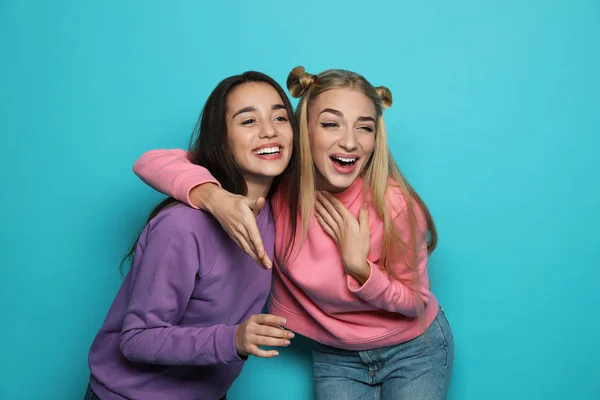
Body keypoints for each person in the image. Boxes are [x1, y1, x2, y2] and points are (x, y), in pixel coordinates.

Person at [131, 66, 454, 399]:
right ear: (304, 131)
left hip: (412, 349)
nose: (349, 141)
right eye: (330, 124)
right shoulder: (278, 183)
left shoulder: (394, 205)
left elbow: (416, 300)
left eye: (365, 128)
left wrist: (361, 269)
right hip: (336, 352)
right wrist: (212, 195)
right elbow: (151, 161)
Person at [85, 71, 299, 400]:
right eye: (247, 121)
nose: (269, 131)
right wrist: (235, 340)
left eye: (280, 117)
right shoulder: (182, 225)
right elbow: (137, 338)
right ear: (221, 138)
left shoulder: (279, 212)